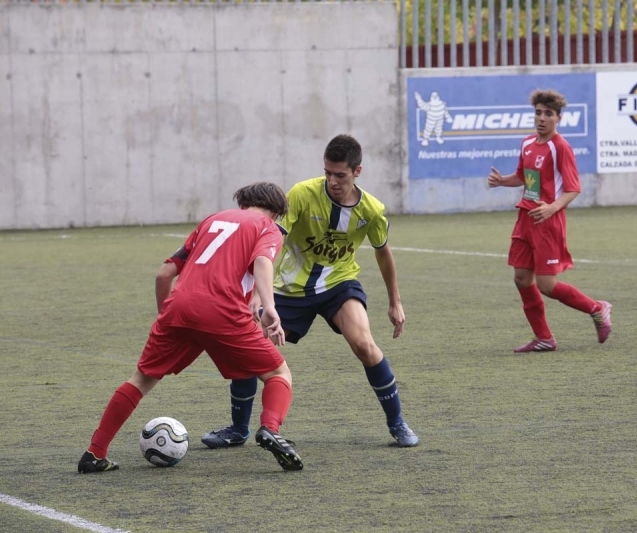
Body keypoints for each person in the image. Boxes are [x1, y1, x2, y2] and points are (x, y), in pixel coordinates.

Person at [201, 134, 419, 449]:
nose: (332, 180)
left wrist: (395, 302)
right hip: (289, 288)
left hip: (339, 285)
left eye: (340, 175)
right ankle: (238, 429)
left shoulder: (372, 210)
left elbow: (383, 252)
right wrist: (259, 295)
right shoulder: (303, 194)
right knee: (250, 347)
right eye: (327, 172)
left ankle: (397, 423)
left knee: (364, 345)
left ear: (357, 172)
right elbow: (270, 242)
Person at [77, 182, 304, 473]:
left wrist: (165, 317)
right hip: (223, 311)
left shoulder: (211, 221)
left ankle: (94, 453)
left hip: (178, 308)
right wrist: (269, 307)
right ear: (276, 212)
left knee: (141, 379)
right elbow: (262, 261)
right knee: (277, 372)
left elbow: (164, 273)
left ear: (243, 203)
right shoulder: (266, 227)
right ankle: (270, 428)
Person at [487, 89, 612, 353]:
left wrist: (552, 208)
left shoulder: (561, 147)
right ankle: (544, 338)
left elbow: (573, 188)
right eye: (538, 113)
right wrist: (502, 181)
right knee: (521, 278)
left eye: (548, 114)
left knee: (547, 285)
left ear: (558, 119)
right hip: (525, 218)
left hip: (548, 222)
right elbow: (523, 177)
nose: (541, 118)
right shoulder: (527, 143)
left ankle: (597, 308)